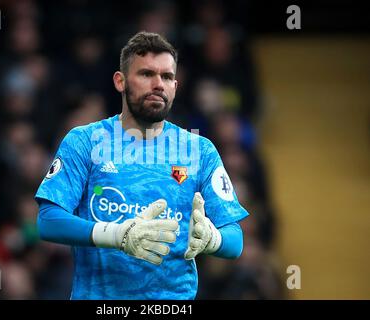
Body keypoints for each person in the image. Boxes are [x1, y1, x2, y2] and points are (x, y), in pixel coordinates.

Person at [34, 31, 249, 299]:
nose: (158, 84)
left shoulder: (199, 150)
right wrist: (116, 235)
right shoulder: (85, 142)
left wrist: (211, 238)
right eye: (146, 74)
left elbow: (235, 239)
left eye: (167, 77)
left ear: (175, 87)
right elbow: (48, 221)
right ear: (120, 81)